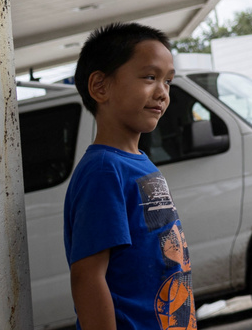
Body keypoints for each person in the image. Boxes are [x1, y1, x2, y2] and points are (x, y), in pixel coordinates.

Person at [63, 22, 195, 330]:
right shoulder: (104, 170)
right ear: (100, 87)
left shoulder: (140, 163)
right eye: (150, 77)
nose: (162, 92)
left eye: (168, 81)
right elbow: (88, 277)